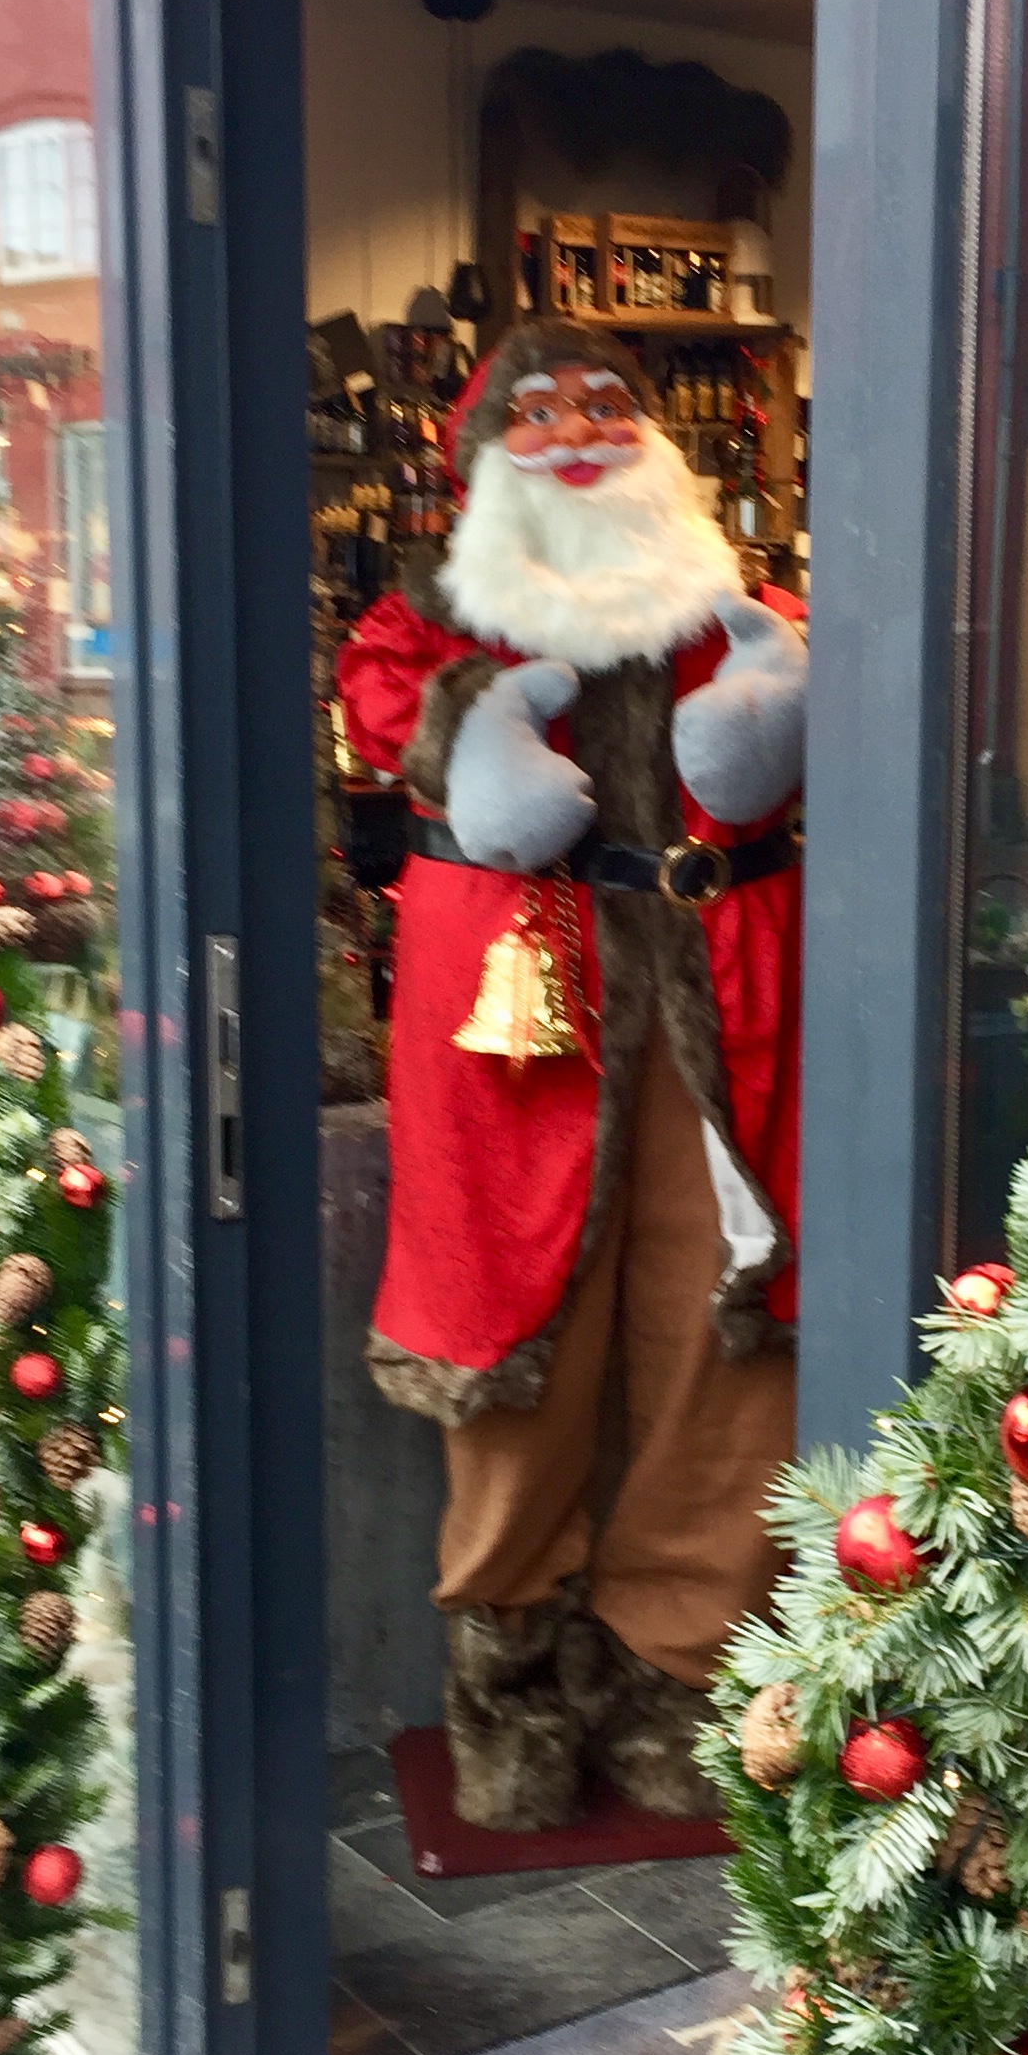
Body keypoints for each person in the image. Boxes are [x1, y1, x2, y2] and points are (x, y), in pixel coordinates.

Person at [337, 319, 806, 1829]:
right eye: (536, 413)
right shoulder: (435, 614)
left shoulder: (732, 604)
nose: (578, 432)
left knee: (713, 1327)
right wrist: (464, 736)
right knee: (512, 1331)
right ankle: (512, 1680)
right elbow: (379, 707)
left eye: (608, 407)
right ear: (485, 454)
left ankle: (679, 1667)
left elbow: (812, 716)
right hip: (517, 1010)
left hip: (716, 1004)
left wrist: (775, 716)